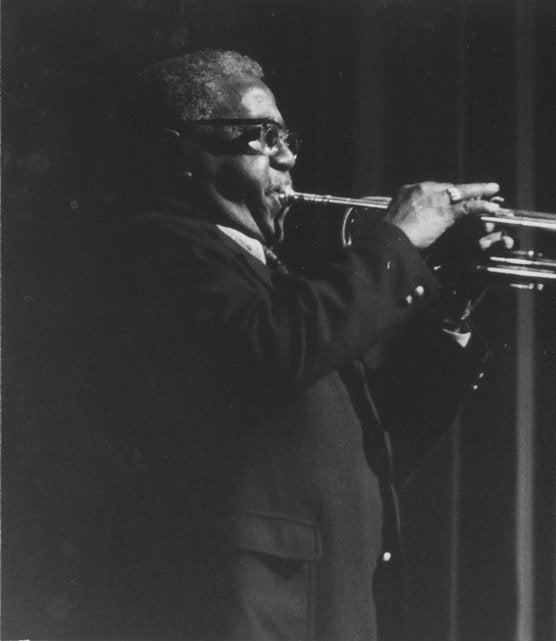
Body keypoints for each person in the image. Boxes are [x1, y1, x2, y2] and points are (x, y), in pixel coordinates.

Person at [87, 49, 506, 641]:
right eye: (261, 136)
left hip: (327, 609)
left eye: (286, 136)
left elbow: (383, 444)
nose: (287, 157)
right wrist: (396, 241)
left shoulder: (279, 283)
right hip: (248, 613)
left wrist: (455, 303)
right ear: (177, 151)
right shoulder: (160, 248)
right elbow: (275, 345)